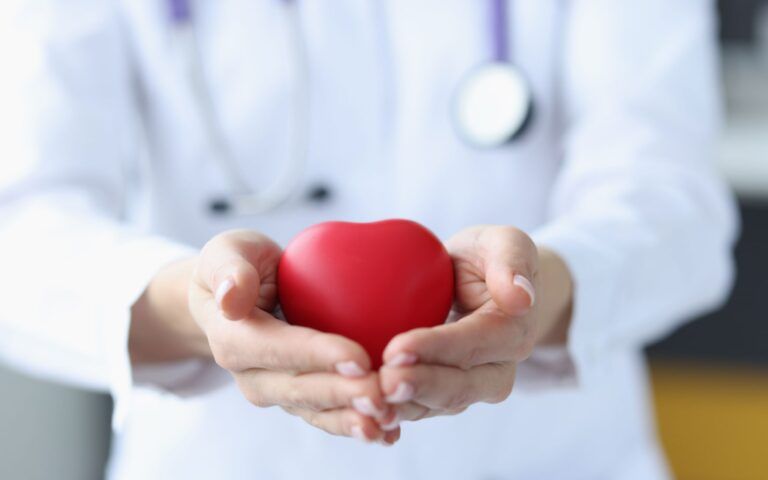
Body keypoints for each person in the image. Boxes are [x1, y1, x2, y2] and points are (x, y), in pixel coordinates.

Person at [0, 1, 737, 479]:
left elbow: (674, 201)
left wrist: (532, 296)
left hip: (549, 457)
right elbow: (20, 225)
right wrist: (199, 312)